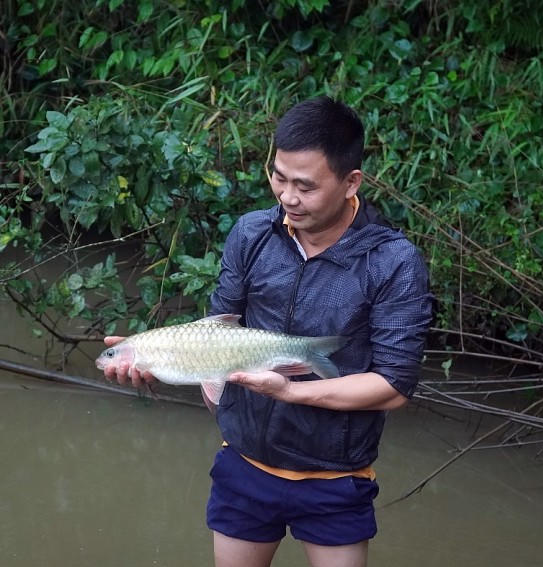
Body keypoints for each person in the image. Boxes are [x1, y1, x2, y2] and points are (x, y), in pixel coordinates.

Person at [102, 96, 434, 567]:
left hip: (336, 477)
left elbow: (395, 386)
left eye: (305, 186)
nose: (287, 197)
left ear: (350, 182)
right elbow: (216, 334)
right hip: (244, 465)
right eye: (278, 177)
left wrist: (291, 393)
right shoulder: (251, 234)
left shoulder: (392, 261)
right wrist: (162, 359)